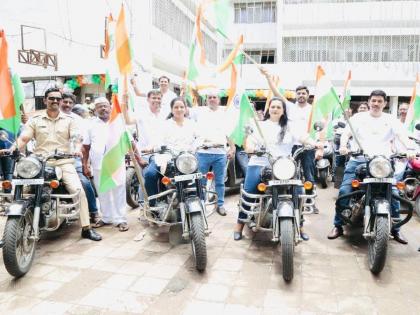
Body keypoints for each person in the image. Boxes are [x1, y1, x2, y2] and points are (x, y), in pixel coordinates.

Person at [327, 90, 416, 244]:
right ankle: (338, 225)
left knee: (394, 193)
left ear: (385, 103)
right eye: (373, 100)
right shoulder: (358, 118)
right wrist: (343, 146)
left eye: (379, 101)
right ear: (369, 102)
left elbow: (402, 136)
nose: (376, 104)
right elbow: (346, 134)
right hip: (359, 159)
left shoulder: (391, 119)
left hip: (384, 162)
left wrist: (409, 149)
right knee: (344, 191)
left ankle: (396, 229)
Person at [13, 87, 101, 241]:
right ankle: (13, 228)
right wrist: (11, 148)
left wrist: (75, 149)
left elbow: (76, 138)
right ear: (45, 100)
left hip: (63, 162)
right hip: (39, 162)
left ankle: (86, 228)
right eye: (51, 98)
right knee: (22, 189)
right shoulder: (35, 120)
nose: (55, 101)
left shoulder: (70, 120)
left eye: (57, 99)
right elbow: (24, 138)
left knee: (78, 191)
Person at [234, 98, 323, 241]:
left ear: (283, 111)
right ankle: (239, 225)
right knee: (249, 192)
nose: (275, 109)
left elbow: (303, 137)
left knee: (299, 192)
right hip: (260, 162)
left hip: (284, 165)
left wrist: (315, 144)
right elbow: (250, 140)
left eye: (278, 107)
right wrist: (250, 148)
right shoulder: (260, 125)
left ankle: (300, 226)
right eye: (272, 106)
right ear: (268, 109)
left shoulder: (289, 126)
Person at [260, 68, 318, 213]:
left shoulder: (314, 109)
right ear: (296, 95)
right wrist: (268, 79)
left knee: (308, 174)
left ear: (308, 95)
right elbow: (276, 93)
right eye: (298, 93)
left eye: (304, 93)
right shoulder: (290, 107)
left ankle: (308, 201)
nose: (301, 95)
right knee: (285, 173)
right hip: (289, 145)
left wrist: (319, 145)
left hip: (306, 146)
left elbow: (320, 127)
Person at [82, 97, 129, 232]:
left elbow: (129, 142)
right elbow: (85, 147)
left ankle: (121, 219)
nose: (103, 108)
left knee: (118, 191)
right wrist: (85, 165)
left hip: (116, 162)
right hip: (98, 164)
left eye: (105, 106)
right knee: (103, 191)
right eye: (99, 106)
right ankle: (107, 218)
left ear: (110, 107)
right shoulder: (90, 125)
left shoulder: (118, 122)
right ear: (95, 110)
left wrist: (138, 158)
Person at [143, 98, 199, 200]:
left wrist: (194, 146)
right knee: (150, 174)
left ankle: (201, 202)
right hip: (166, 157)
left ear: (186, 109)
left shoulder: (191, 124)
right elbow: (157, 139)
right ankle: (153, 204)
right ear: (172, 110)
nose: (179, 109)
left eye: (182, 107)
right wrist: (152, 147)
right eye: (176, 107)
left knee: (199, 176)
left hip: (186, 159)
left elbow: (200, 137)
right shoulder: (165, 124)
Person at [192, 90, 236, 216]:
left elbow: (229, 132)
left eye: (214, 97)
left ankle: (220, 205)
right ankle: (201, 204)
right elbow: (185, 109)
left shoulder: (225, 113)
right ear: (206, 100)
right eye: (209, 97)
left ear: (219, 100)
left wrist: (232, 147)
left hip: (220, 153)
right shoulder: (200, 112)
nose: (212, 99)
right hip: (202, 152)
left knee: (220, 181)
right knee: (201, 181)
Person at [60, 93, 100, 224]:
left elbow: (83, 141)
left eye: (70, 102)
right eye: (64, 102)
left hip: (72, 158)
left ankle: (93, 212)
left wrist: (83, 159)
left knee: (84, 182)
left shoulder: (78, 120)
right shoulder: (44, 117)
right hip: (49, 159)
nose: (67, 105)